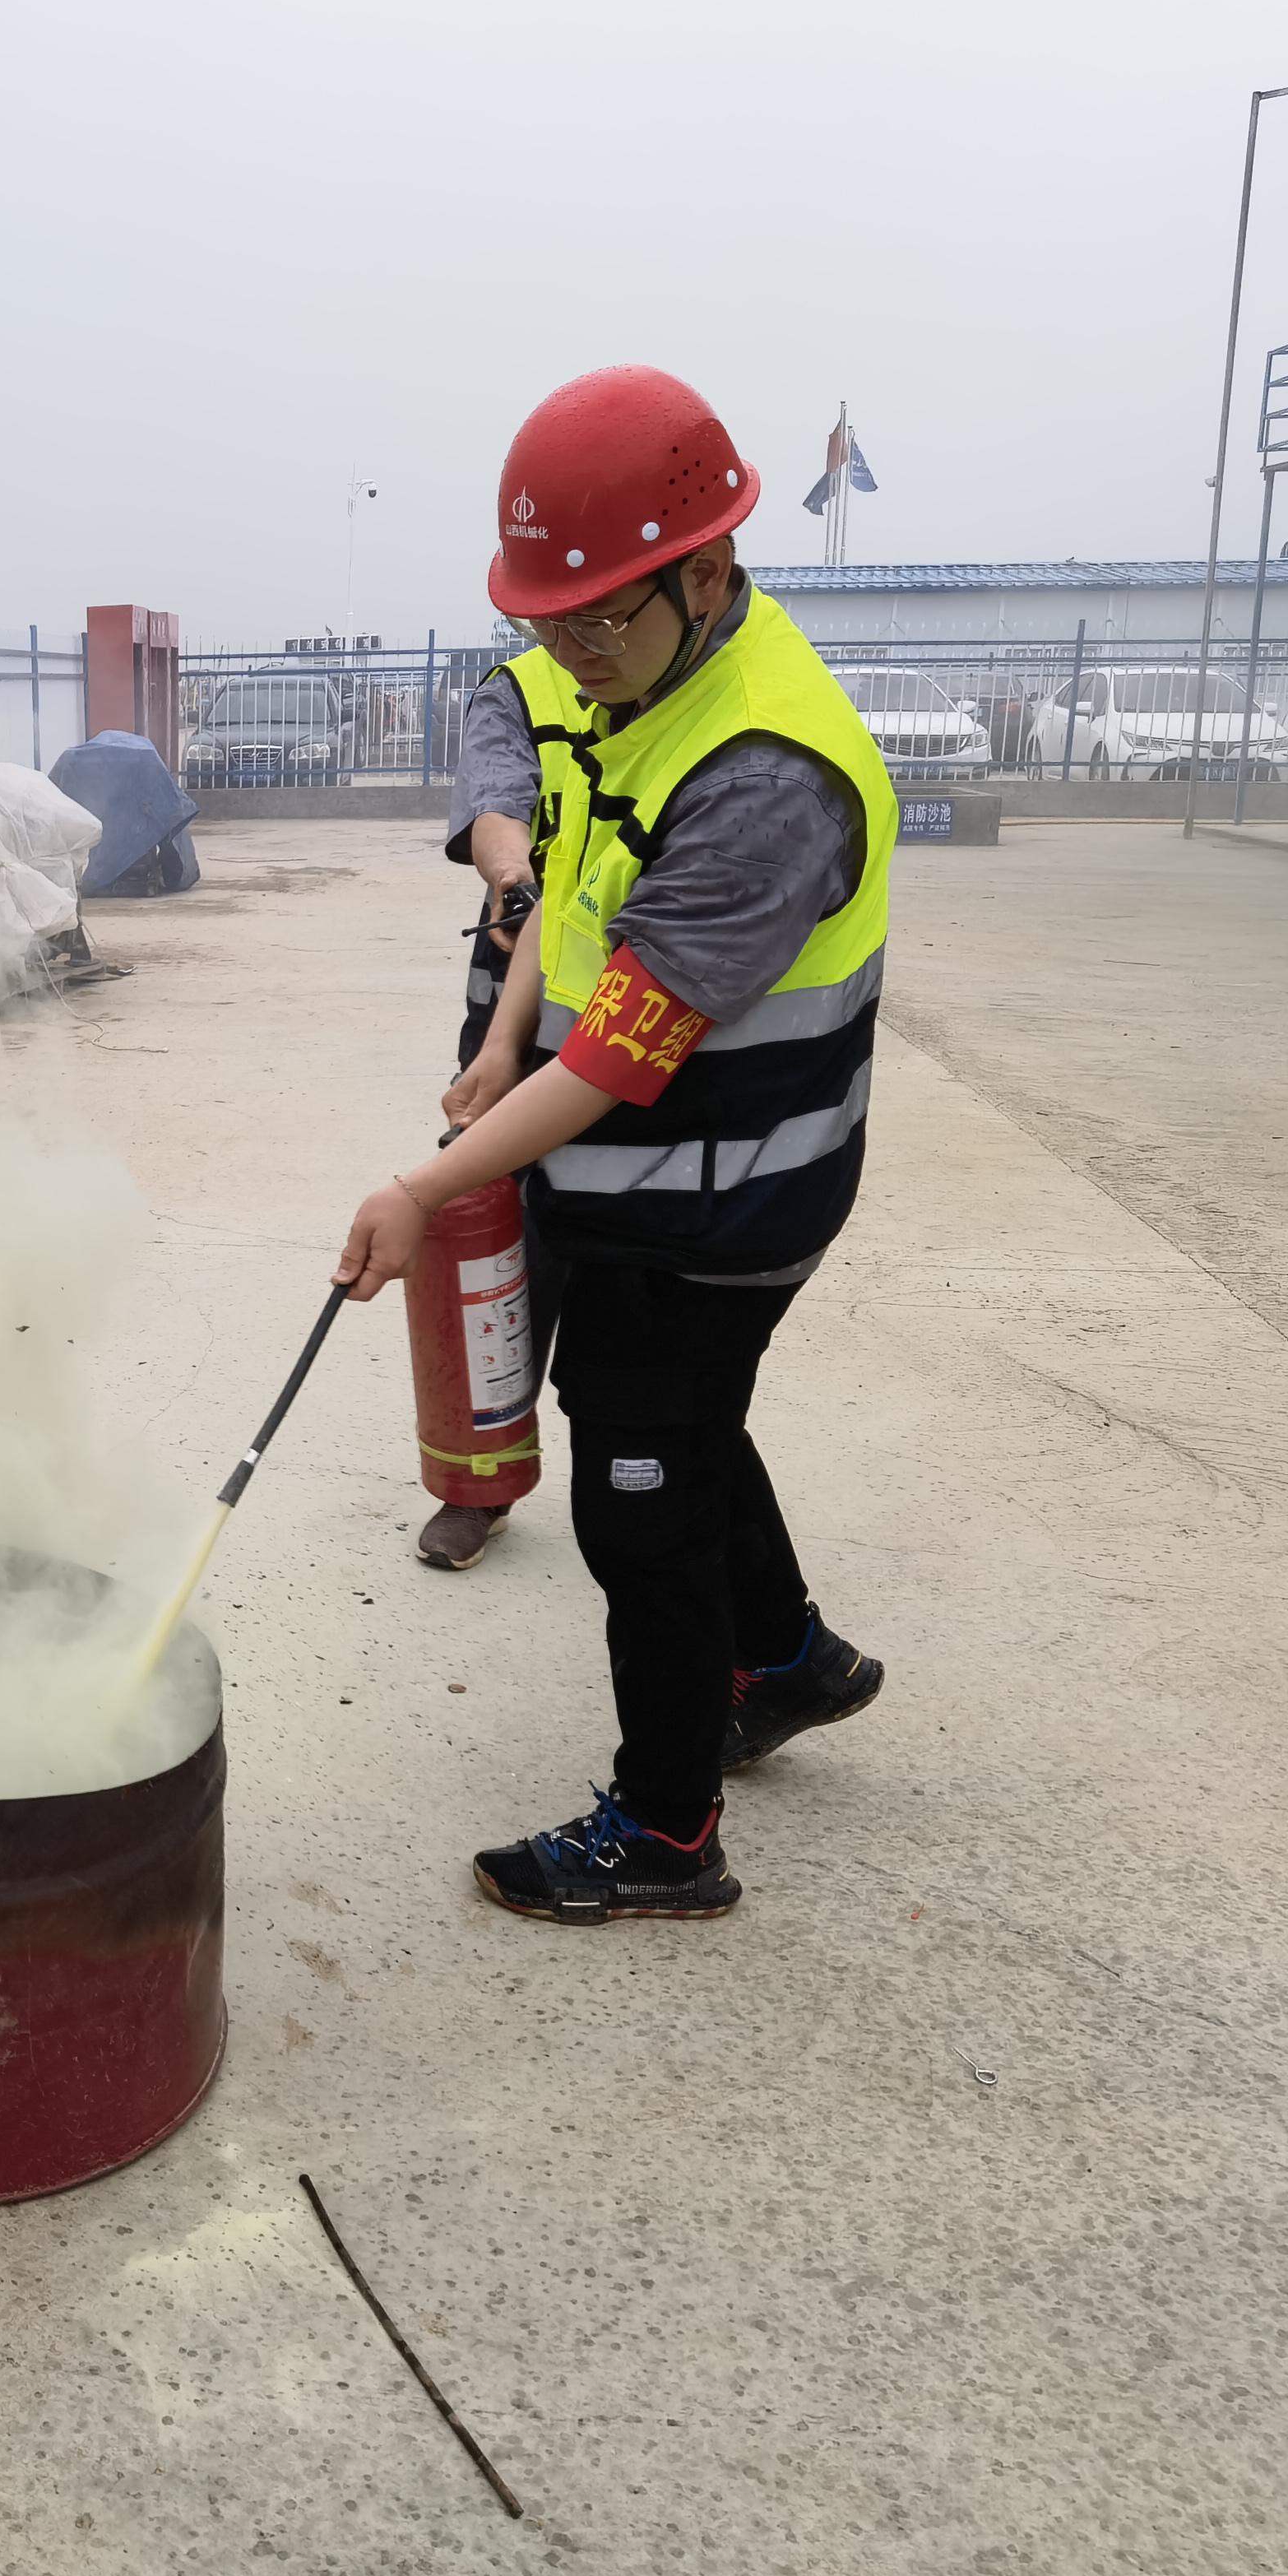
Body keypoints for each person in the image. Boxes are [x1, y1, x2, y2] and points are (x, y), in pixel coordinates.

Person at [336, 366, 887, 1925]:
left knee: (635, 1498)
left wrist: (423, 1190)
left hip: (717, 1197)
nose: (565, 657)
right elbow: (569, 907)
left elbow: (623, 1051)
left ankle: (664, 1833)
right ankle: (780, 1656)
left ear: (705, 570)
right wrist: (498, 1040)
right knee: (670, 1420)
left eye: (596, 619)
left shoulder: (763, 775)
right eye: (547, 620)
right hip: (643, 1178)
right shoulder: (635, 688)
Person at [410, 636, 600, 1569]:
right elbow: (497, 807)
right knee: (490, 1247)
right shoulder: (519, 688)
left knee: (615, 1248)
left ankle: (634, 1465)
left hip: (633, 1010)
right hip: (517, 1015)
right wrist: (512, 882)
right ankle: (475, 1480)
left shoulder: (693, 699)